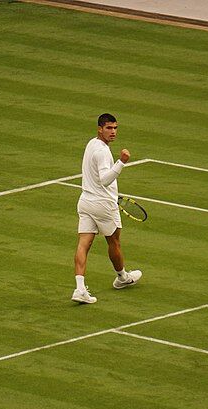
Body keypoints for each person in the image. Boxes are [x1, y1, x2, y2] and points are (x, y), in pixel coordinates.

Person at [71, 113, 142, 304]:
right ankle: (122, 278)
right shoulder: (103, 152)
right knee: (115, 242)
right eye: (109, 128)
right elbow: (104, 179)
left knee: (84, 244)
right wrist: (122, 162)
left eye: (115, 128)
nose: (113, 132)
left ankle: (79, 289)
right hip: (102, 205)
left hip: (85, 201)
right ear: (100, 129)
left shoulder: (91, 144)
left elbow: (97, 178)